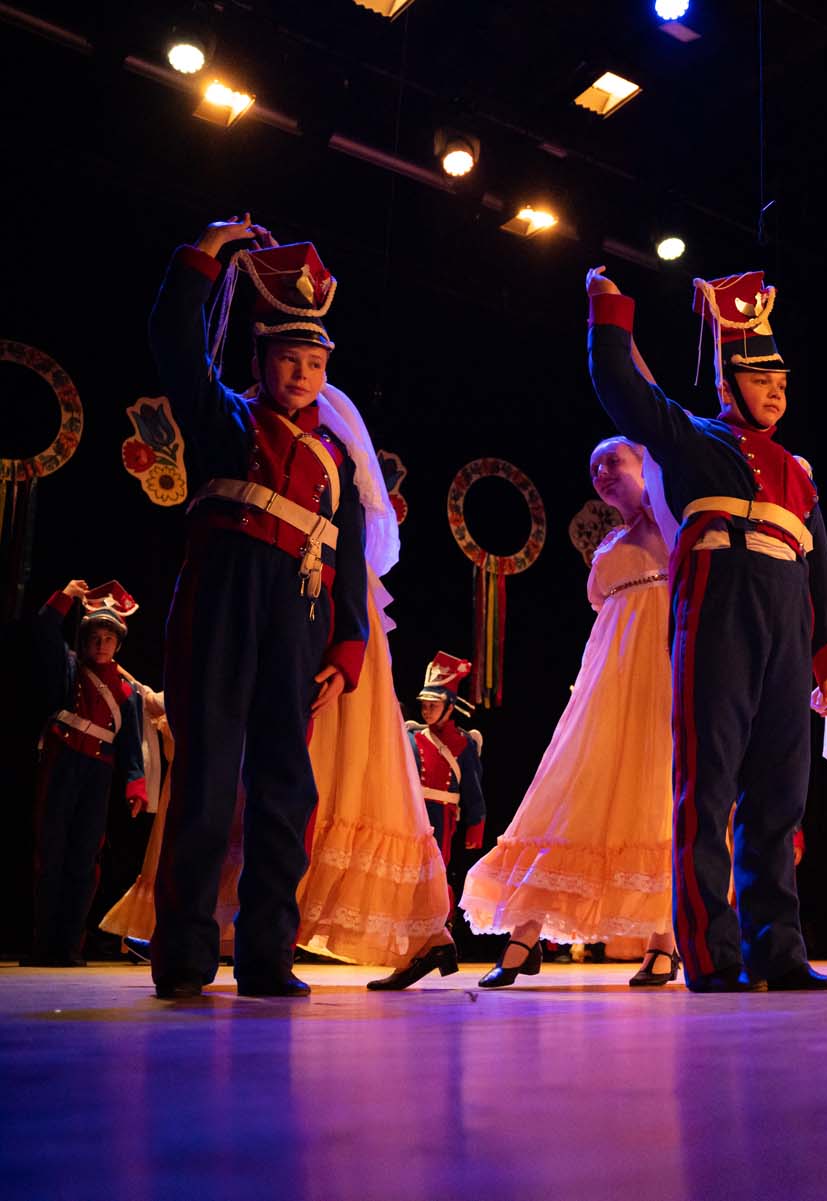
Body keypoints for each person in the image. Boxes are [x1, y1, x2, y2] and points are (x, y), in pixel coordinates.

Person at [586, 266, 827, 992]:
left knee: (780, 791)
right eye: (760, 379)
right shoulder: (692, 437)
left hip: (786, 615)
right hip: (719, 602)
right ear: (729, 385)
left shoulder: (797, 470)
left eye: (781, 381)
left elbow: (821, 563)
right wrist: (608, 310)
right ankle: (710, 954)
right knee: (707, 784)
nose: (776, 391)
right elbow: (621, 387)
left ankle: (780, 951)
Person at [148, 216, 368, 999]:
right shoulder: (224, 417)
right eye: (288, 359)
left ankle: (268, 953)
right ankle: (183, 956)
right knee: (207, 773)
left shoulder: (335, 464)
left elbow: (347, 564)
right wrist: (206, 255)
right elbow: (175, 341)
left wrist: (347, 650)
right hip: (223, 596)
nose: (302, 375)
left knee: (285, 784)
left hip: (298, 614)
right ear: (260, 359)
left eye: (315, 363)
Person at [460, 436, 680, 988]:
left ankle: (664, 941)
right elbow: (602, 605)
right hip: (608, 674)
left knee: (655, 789)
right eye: (594, 466)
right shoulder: (612, 540)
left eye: (614, 462)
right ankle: (526, 932)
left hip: (659, 667)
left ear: (645, 466)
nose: (602, 472)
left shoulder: (671, 522)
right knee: (572, 788)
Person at [28, 581, 146, 965]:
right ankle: (43, 945)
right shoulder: (69, 666)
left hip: (98, 773)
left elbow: (131, 744)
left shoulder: (126, 692)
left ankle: (70, 947)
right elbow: (44, 629)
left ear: (118, 645)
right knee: (50, 854)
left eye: (108, 638)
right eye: (95, 637)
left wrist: (136, 786)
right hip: (62, 763)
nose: (101, 644)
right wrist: (65, 595)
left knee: (84, 860)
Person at [404, 653, 486, 883]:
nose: (427, 711)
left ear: (449, 706)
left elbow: (472, 788)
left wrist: (476, 824)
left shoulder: (463, 743)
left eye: (433, 705)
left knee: (436, 872)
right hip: (413, 812)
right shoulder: (412, 737)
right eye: (424, 705)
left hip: (442, 816)